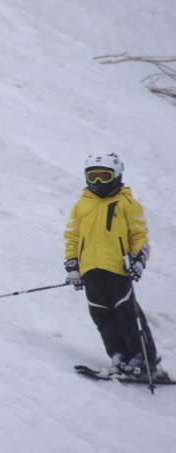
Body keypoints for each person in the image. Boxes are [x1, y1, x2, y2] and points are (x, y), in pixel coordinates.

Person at [63, 153, 167, 379]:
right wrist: (73, 265)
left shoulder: (128, 204)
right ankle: (118, 356)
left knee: (126, 312)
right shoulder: (82, 205)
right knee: (101, 314)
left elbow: (140, 236)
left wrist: (138, 259)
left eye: (104, 176)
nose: (98, 182)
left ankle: (143, 358)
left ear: (117, 175)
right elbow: (72, 237)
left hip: (118, 268)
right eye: (93, 176)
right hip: (90, 269)